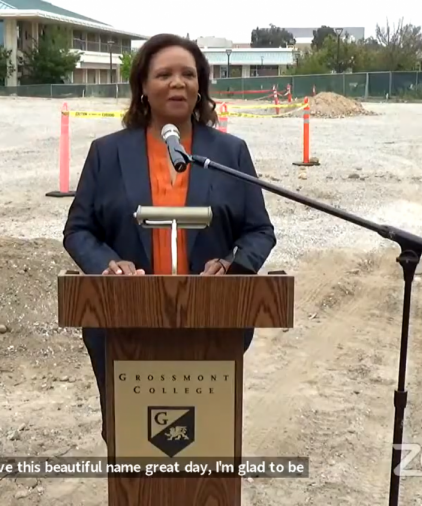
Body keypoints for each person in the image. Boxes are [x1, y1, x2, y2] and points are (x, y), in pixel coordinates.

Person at [61, 33, 277, 441]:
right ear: (142, 86)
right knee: (135, 442)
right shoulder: (107, 153)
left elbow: (259, 230)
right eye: (164, 74)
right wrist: (107, 264)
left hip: (212, 324)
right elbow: (79, 229)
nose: (177, 83)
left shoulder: (229, 153)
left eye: (188, 75)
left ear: (201, 87)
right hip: (124, 324)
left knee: (204, 442)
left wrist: (235, 264)